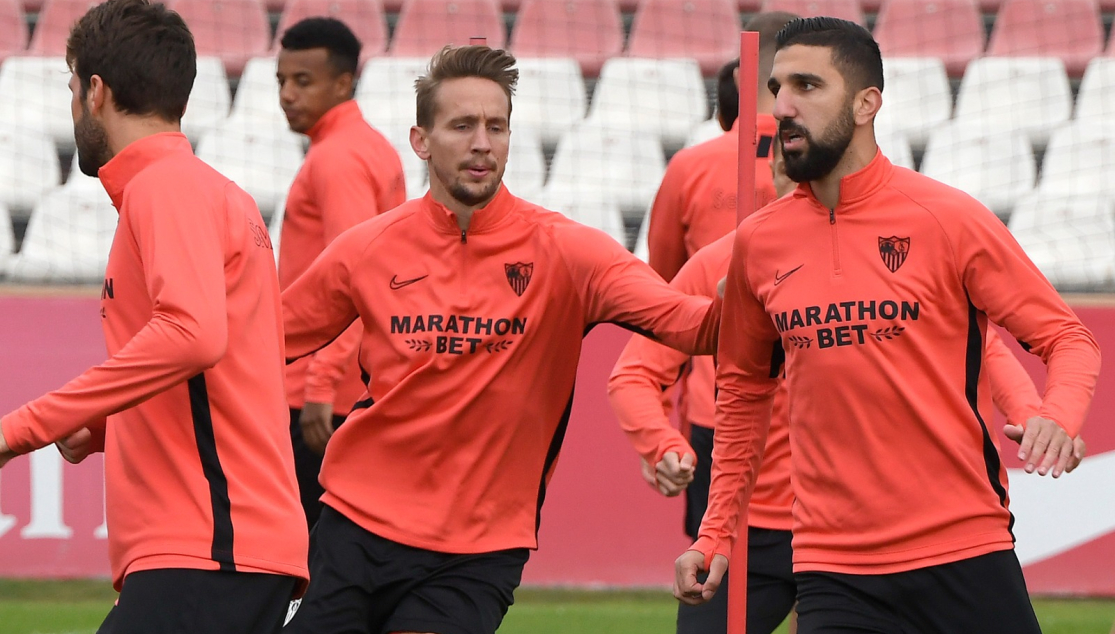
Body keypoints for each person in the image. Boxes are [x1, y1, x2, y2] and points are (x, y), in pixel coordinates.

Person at [674, 17, 1100, 634]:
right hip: (831, 567)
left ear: (867, 103)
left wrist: (1056, 416)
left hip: (964, 551)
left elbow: (1068, 338)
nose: (783, 106)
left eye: (807, 86)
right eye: (776, 87)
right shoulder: (757, 244)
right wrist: (715, 534)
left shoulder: (947, 218)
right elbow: (741, 393)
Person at [280, 45, 722, 634]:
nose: (482, 142)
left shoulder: (569, 252)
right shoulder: (367, 249)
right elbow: (262, 340)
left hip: (478, 552)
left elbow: (687, 323)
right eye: (462, 125)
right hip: (353, 525)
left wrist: (757, 290)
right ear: (422, 140)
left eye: (497, 126)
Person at [0, 0, 309, 632]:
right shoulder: (214, 192)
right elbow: (229, 364)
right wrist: (111, 422)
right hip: (223, 551)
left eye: (70, 87)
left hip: (208, 548)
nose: (71, 104)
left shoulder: (163, 189)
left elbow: (192, 336)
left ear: (95, 91)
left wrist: (21, 429)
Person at [612, 140, 798, 634]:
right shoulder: (718, 262)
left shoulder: (876, 259)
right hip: (739, 511)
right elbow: (635, 370)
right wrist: (660, 442)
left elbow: (982, 348)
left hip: (847, 524)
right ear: (775, 167)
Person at [276, 16, 407, 529]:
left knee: (302, 555)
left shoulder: (338, 159)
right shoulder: (370, 146)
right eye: (281, 81)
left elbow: (354, 278)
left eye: (302, 81)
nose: (287, 94)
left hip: (319, 391)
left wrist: (319, 385)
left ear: (344, 82)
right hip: (353, 380)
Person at [647, 11, 798, 283]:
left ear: (741, 78)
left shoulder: (689, 167)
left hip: (706, 321)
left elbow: (661, 286)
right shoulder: (830, 165)